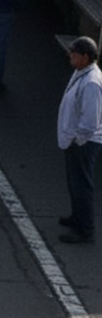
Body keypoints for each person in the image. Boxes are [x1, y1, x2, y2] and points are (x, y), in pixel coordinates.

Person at [57, 37, 102, 244]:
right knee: (74, 182)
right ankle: (77, 217)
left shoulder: (92, 83)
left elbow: (90, 121)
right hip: (75, 140)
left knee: (81, 184)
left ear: (85, 57)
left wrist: (77, 139)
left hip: (84, 142)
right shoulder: (82, 72)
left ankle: (85, 228)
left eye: (74, 53)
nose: (70, 56)